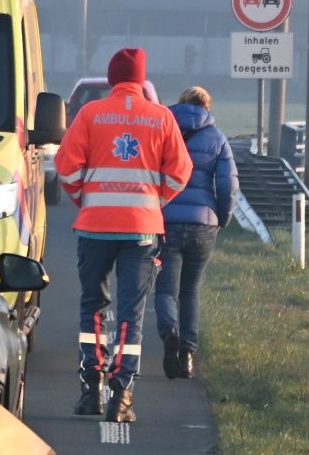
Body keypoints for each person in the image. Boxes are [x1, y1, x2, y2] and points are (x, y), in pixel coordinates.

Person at [55, 48, 192, 422]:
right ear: (141, 79)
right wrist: (153, 200)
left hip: (95, 226)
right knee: (132, 313)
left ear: (113, 78)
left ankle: (90, 392)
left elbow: (65, 166)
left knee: (92, 308)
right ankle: (121, 396)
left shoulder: (89, 114)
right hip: (142, 230)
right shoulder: (161, 118)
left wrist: (83, 198)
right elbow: (181, 172)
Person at [155, 86, 237, 380]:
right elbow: (228, 186)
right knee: (191, 290)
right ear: (207, 107)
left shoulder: (164, 133)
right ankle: (187, 356)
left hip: (167, 221)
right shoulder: (217, 138)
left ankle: (169, 333)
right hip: (204, 223)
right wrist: (221, 218)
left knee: (166, 289)